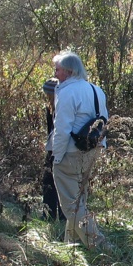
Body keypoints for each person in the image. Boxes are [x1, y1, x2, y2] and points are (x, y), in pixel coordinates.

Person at [51, 50, 108, 248]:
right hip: (92, 150)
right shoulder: (96, 89)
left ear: (68, 71)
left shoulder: (67, 92)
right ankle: (72, 242)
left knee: (71, 204)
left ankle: (99, 244)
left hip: (70, 153)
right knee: (78, 198)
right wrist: (102, 146)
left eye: (57, 70)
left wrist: (56, 156)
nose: (55, 74)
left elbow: (62, 129)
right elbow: (104, 121)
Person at [41, 78, 65, 221]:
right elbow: (49, 129)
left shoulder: (63, 106)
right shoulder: (50, 107)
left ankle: (62, 217)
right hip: (52, 148)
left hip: (61, 148)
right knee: (49, 182)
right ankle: (48, 215)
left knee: (58, 182)